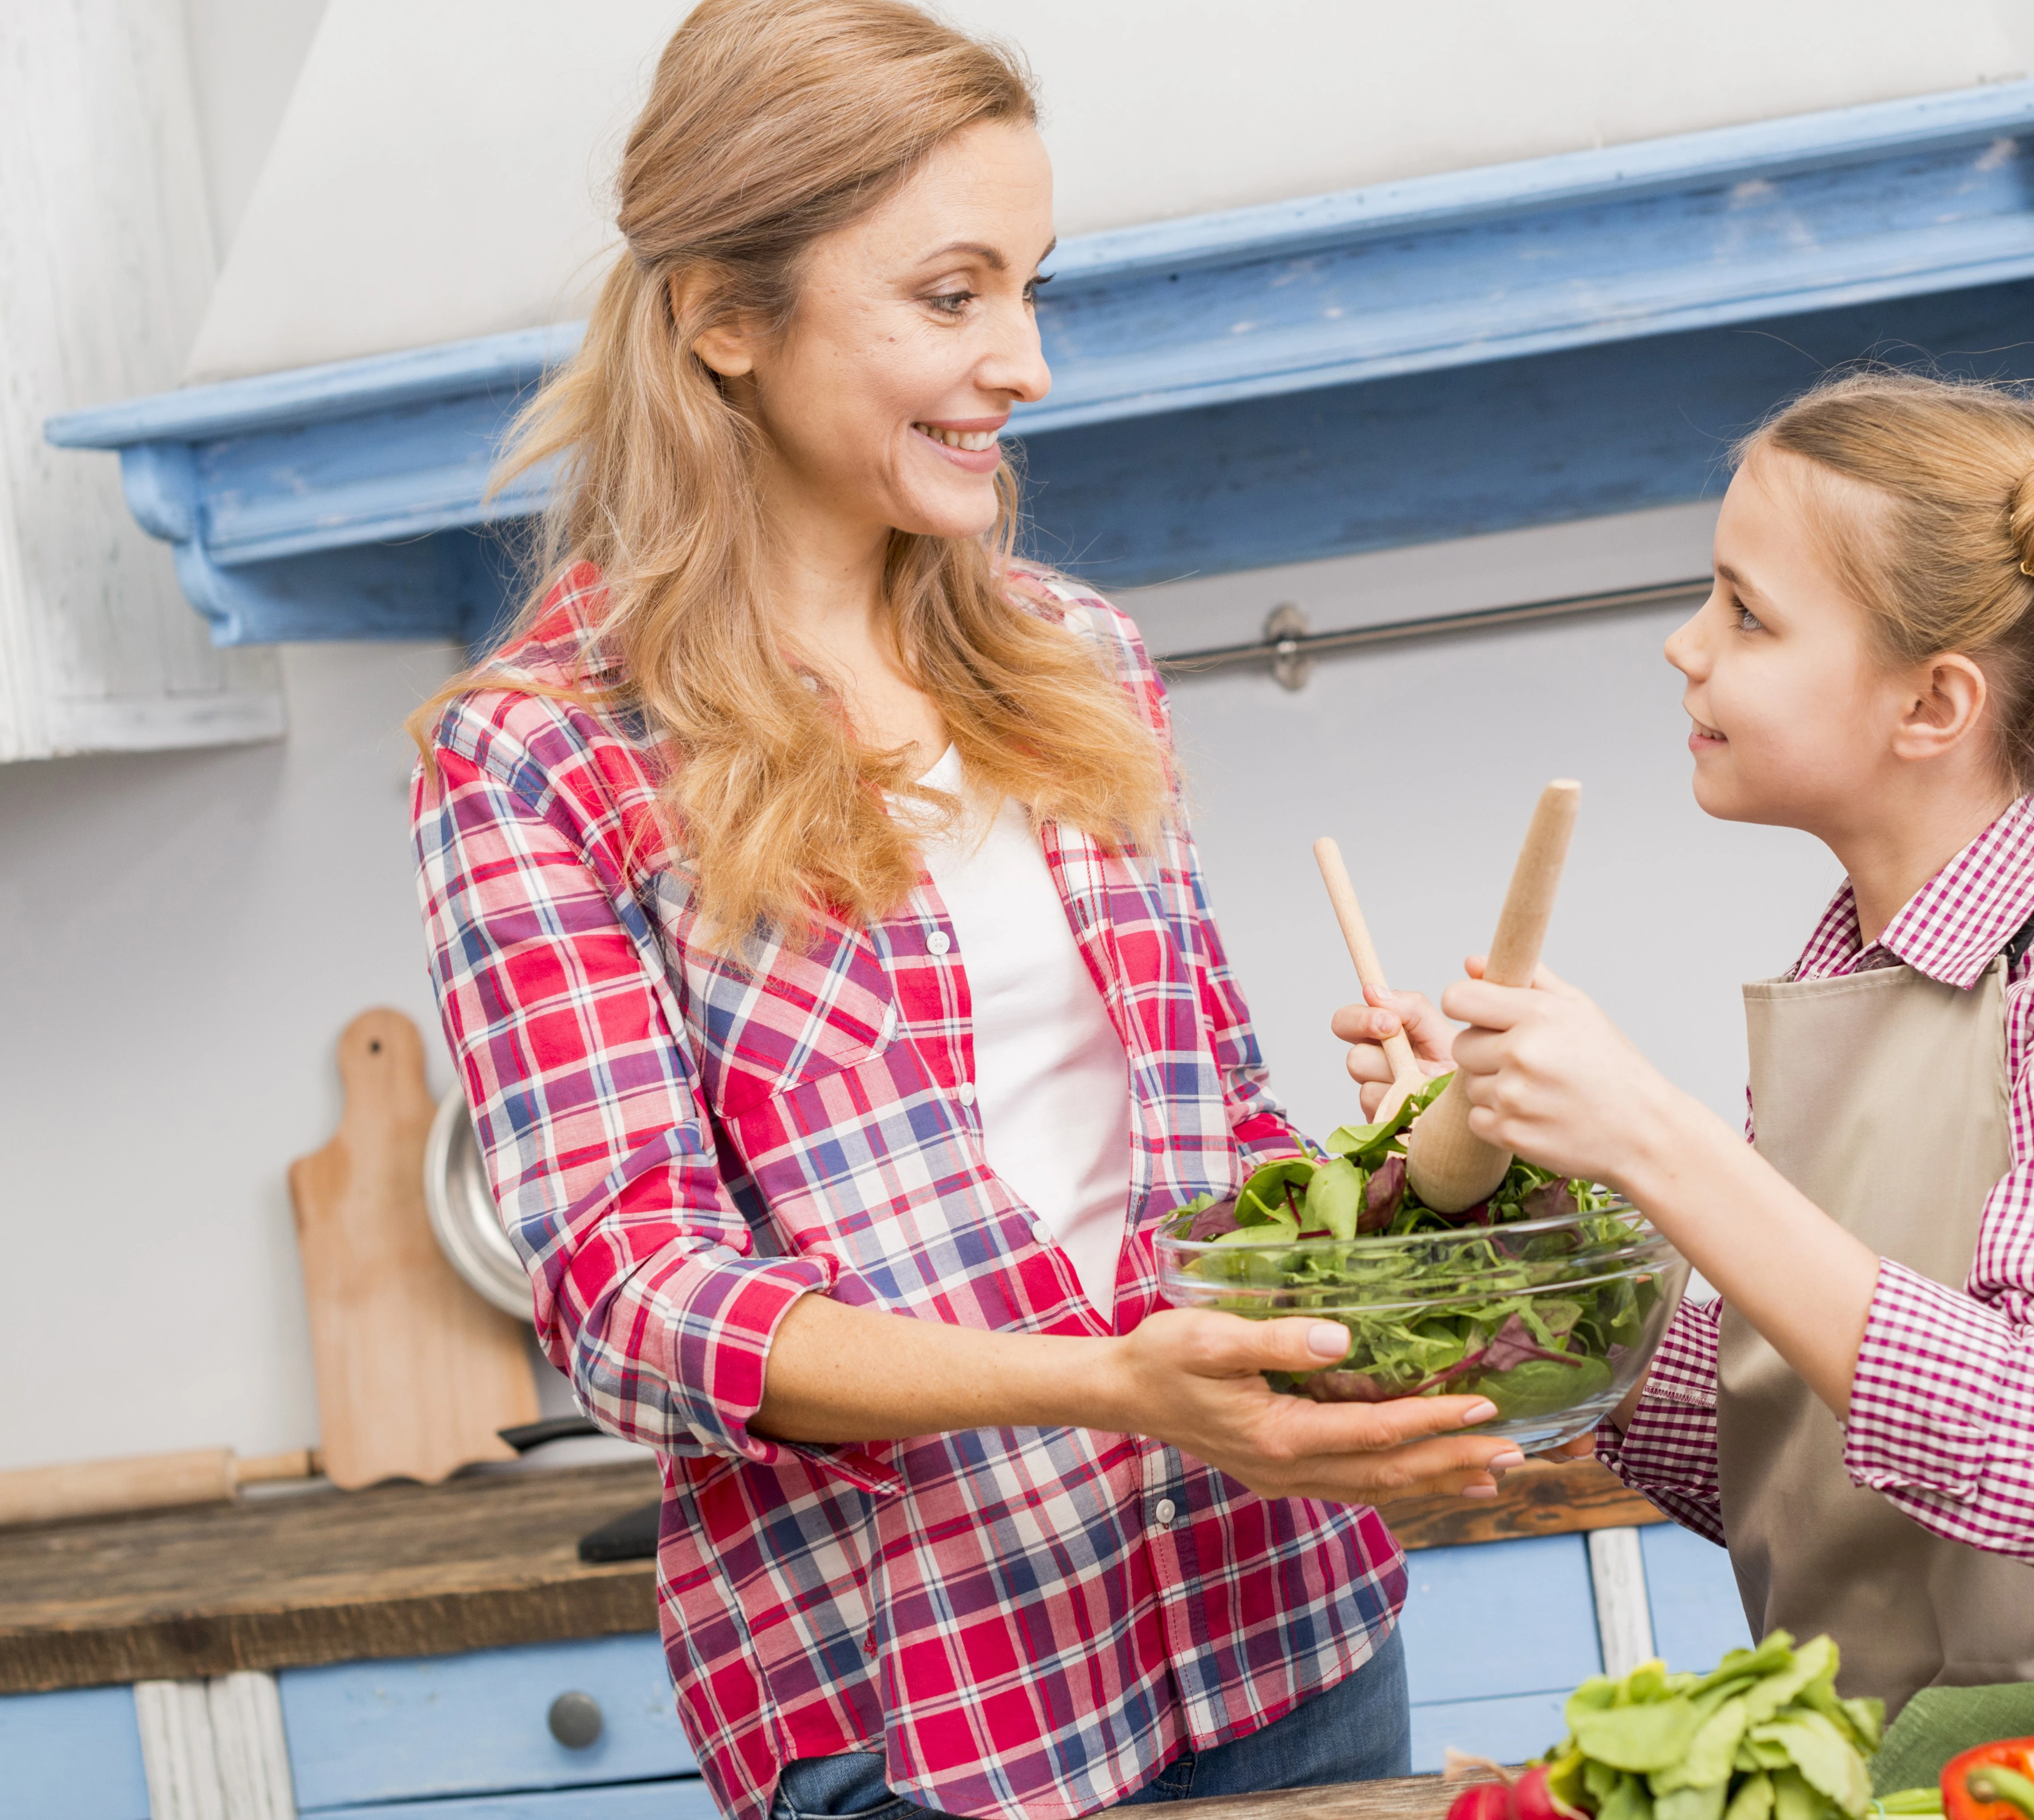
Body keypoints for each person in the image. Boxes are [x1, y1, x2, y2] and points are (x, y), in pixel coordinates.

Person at [409, 5, 1517, 1817]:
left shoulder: (1082, 658)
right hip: (929, 1707)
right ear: (725, 316)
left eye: (1030, 288)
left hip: (1283, 1626)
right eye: (950, 297)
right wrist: (1112, 1386)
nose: (1028, 364)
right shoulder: (543, 754)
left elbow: (1215, 1151)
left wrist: (1398, 1180)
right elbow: (637, 1299)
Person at [1337, 372, 2034, 1706]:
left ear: (1932, 707)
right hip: (1867, 1753)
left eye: (1747, 612)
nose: (1686, 645)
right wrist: (1504, 1196)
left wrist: (1652, 1139)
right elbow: (1780, 1452)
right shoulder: (1842, 977)